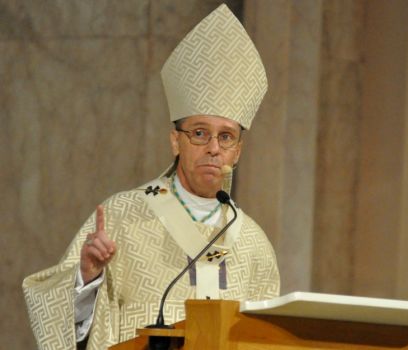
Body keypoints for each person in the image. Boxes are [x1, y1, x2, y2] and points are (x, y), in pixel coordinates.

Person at [22, 5, 280, 349]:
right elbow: (59, 324)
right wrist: (87, 278)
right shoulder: (122, 215)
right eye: (200, 133)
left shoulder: (254, 244)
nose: (214, 148)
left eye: (226, 136)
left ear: (238, 151)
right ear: (176, 141)